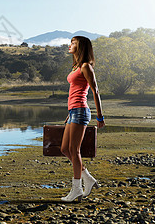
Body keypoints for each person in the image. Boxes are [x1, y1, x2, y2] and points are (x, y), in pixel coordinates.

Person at [60, 36, 105, 202]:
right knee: (65, 149)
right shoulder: (75, 67)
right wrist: (70, 112)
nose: (70, 45)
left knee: (74, 150)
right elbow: (75, 91)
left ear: (82, 47)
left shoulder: (86, 67)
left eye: (73, 43)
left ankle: (77, 190)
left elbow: (95, 91)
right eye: (70, 42)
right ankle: (88, 179)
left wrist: (100, 116)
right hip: (73, 111)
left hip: (81, 111)